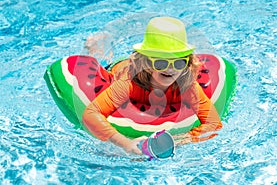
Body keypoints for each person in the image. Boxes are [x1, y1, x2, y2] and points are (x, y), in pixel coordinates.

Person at [83, 16, 222, 155]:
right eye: (161, 63)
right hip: (119, 68)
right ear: (145, 63)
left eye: (179, 62)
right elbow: (91, 114)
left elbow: (213, 124)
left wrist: (180, 140)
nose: (170, 69)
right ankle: (96, 46)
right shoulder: (128, 83)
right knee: (105, 59)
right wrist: (125, 143)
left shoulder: (187, 85)